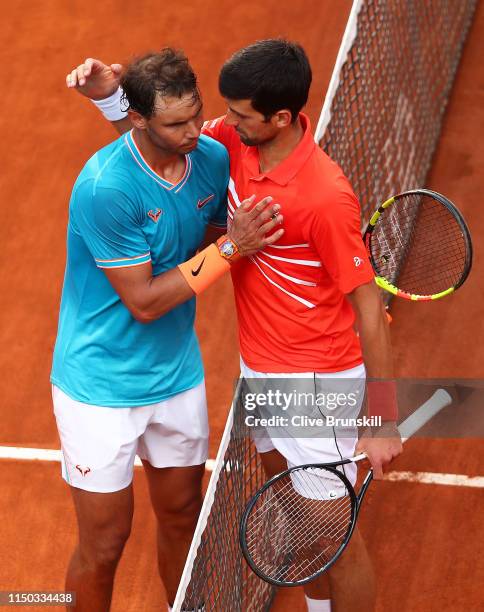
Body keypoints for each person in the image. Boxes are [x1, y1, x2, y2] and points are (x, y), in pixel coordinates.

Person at [67, 39, 402, 612]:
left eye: (235, 114)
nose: (215, 124)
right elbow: (153, 136)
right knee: (296, 514)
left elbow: (370, 310)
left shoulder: (324, 197)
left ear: (279, 117)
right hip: (260, 371)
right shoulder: (231, 144)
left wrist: (382, 420)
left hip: (314, 384)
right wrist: (112, 101)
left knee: (336, 540)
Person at [53, 48, 284, 612]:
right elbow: (147, 302)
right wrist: (234, 247)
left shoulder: (206, 157)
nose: (191, 133)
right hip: (100, 390)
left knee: (183, 517)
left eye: (194, 115)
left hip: (177, 375)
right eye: (175, 124)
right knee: (104, 545)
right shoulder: (105, 187)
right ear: (139, 119)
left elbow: (197, 238)